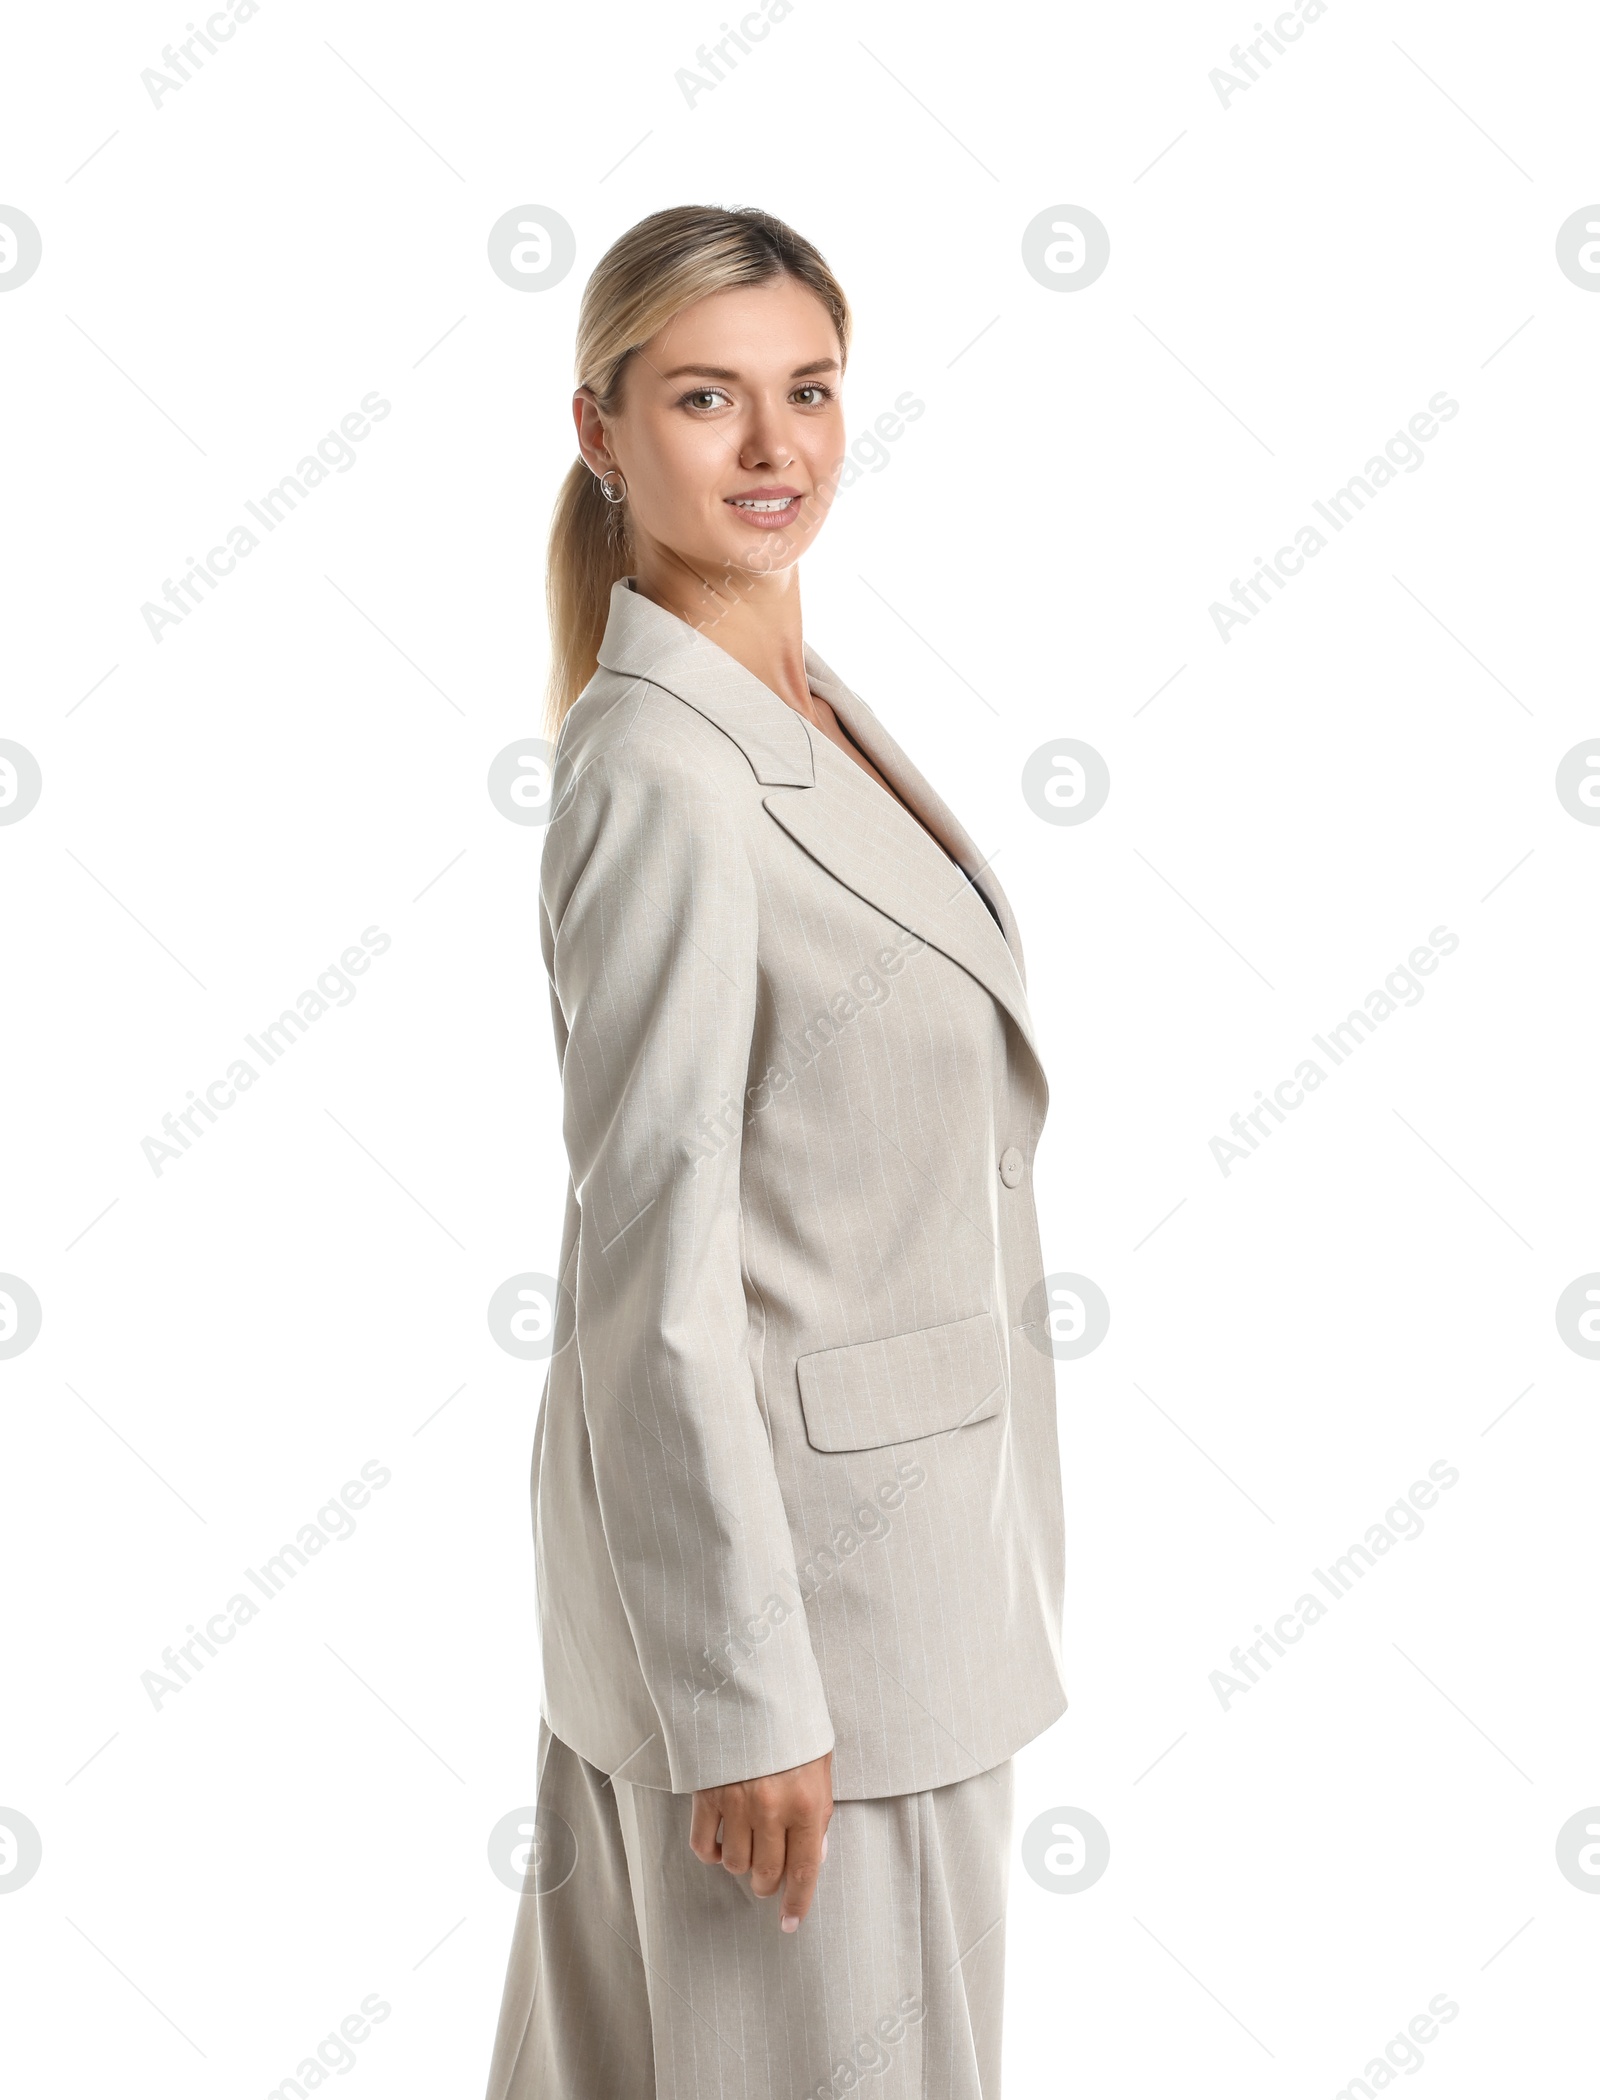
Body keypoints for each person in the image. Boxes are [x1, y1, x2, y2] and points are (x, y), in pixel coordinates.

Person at [485, 203, 1067, 2100]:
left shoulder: (799, 713)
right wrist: (742, 1698)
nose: (773, 448)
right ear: (602, 433)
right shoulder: (661, 769)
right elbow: (652, 1261)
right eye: (708, 400)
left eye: (806, 392)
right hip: (806, 1641)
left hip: (904, 1599)